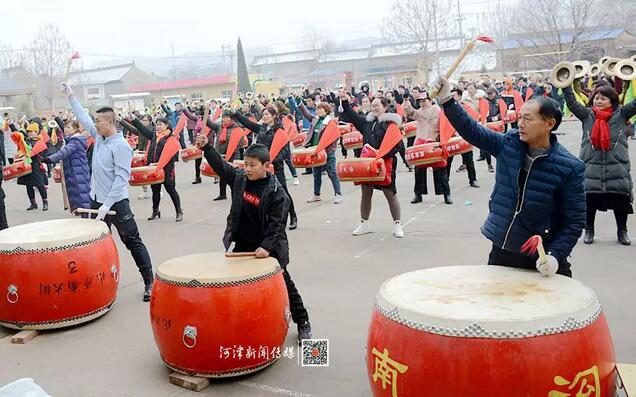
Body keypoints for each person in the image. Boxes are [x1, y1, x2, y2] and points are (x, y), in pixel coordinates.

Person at [434, 76, 586, 277]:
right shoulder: (508, 144)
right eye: (520, 117)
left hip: (541, 256)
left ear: (549, 123)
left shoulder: (570, 167)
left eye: (528, 119)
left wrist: (556, 256)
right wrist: (447, 100)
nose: (520, 123)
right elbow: (472, 131)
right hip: (503, 248)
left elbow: (574, 221)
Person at [196, 137, 312, 344]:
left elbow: (277, 225)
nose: (247, 169)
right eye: (246, 164)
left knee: (285, 284)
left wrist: (266, 247)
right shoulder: (240, 179)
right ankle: (242, 325)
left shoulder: (278, 193)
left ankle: (303, 321)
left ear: (266, 166)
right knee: (236, 285)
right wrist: (206, 147)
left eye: (252, 165)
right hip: (243, 245)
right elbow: (222, 167)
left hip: (270, 247)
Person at [63, 82, 155, 301]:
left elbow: (121, 179)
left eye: (99, 121)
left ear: (111, 122)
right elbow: (83, 117)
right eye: (95, 120)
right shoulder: (99, 136)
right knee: (97, 244)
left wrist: (107, 204)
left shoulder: (121, 146)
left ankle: (149, 282)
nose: (94, 124)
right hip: (97, 202)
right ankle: (99, 285)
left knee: (132, 241)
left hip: (116, 203)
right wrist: (71, 96)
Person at [563, 83, 634, 246]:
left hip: (617, 166)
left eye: (603, 98)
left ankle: (622, 231)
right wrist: (566, 85)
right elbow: (572, 103)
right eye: (596, 98)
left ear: (612, 100)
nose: (599, 101)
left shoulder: (622, 114)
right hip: (591, 165)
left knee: (620, 199)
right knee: (590, 199)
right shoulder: (587, 115)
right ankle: (589, 230)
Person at [338, 90, 405, 238]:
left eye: (377, 105)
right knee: (366, 193)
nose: (374, 108)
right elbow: (352, 116)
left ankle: (397, 224)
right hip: (368, 164)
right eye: (372, 105)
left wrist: (381, 154)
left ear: (385, 107)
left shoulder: (391, 125)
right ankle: (364, 223)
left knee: (390, 194)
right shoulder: (367, 123)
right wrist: (343, 101)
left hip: (384, 163)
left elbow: (398, 145)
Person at [232, 106, 298, 230]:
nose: (264, 116)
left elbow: (285, 152)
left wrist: (271, 162)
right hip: (260, 167)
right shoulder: (261, 128)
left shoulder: (280, 131)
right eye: (263, 114)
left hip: (275, 167)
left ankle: (293, 215)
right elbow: (247, 123)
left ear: (274, 116)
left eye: (267, 114)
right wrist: (235, 113)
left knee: (283, 192)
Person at [129, 115, 183, 222]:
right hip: (153, 168)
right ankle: (155, 210)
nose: (158, 127)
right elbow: (142, 129)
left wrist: (161, 165)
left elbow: (171, 154)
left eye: (160, 124)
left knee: (171, 190)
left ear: (166, 125)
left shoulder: (171, 138)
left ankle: (179, 211)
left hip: (167, 169)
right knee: (155, 191)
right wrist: (133, 120)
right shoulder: (154, 136)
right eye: (157, 124)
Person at [403, 93, 453, 205]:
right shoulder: (419, 112)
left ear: (430, 100)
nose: (422, 103)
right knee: (419, 170)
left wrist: (442, 139)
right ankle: (418, 194)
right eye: (420, 101)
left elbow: (445, 125)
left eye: (424, 101)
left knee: (441, 169)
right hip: (421, 142)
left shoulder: (439, 111)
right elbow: (409, 111)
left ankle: (446, 194)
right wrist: (406, 100)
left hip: (434, 142)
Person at [290, 99, 343, 204]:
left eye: (320, 109)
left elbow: (334, 136)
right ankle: (316, 194)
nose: (318, 111)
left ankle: (338, 194)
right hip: (314, 151)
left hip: (327, 152)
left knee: (332, 173)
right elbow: (306, 113)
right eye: (317, 109)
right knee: (316, 174)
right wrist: (299, 103)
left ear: (326, 110)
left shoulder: (330, 122)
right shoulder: (315, 119)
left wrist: (329, 148)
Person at [42, 119, 91, 213]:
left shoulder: (75, 142)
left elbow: (63, 153)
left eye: (69, 127)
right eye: (65, 127)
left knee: (82, 199)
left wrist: (49, 160)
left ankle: (85, 220)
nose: (66, 129)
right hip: (75, 172)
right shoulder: (71, 140)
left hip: (78, 173)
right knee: (78, 198)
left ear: (76, 129)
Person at [12, 121, 49, 211]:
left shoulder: (41, 141)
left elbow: (44, 154)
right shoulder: (26, 140)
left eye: (31, 131)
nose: (29, 133)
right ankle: (33, 203)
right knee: (28, 185)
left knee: (40, 184)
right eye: (28, 131)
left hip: (36, 165)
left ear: (36, 132)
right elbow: (18, 134)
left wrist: (32, 153)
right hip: (27, 164)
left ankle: (45, 202)